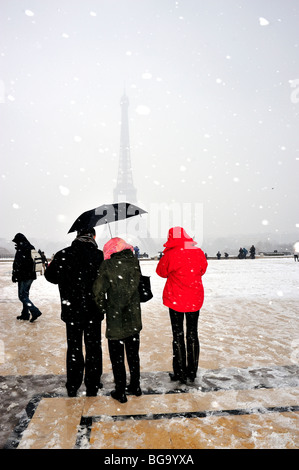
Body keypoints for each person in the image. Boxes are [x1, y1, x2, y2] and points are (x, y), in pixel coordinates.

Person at [44, 228, 104, 397]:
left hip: (72, 311)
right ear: (93, 236)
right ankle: (92, 384)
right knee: (93, 347)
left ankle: (73, 384)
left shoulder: (63, 254)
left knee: (74, 348)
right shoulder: (99, 256)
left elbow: (50, 277)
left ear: (77, 236)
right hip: (93, 310)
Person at [93, 237, 142, 404]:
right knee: (133, 354)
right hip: (134, 317)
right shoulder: (134, 262)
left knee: (117, 357)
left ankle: (120, 390)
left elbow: (98, 292)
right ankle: (135, 385)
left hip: (116, 319)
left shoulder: (107, 265)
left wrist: (106, 307)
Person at [156, 227, 208, 384]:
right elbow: (202, 269)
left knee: (178, 335)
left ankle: (179, 372)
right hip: (194, 299)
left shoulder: (171, 254)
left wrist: (167, 255)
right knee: (192, 334)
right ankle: (192, 371)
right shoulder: (196, 250)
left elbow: (161, 272)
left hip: (176, 300)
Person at [12, 233, 42, 323]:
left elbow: (18, 263)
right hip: (30, 275)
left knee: (22, 296)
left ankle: (35, 311)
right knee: (25, 295)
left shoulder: (22, 248)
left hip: (23, 275)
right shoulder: (30, 247)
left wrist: (14, 275)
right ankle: (25, 314)